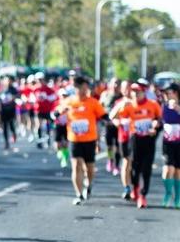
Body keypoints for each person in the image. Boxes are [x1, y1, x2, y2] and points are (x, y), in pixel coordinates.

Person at [55, 76, 107, 205]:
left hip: (89, 139)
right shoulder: (69, 101)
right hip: (74, 139)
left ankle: (88, 185)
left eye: (84, 88)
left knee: (89, 167)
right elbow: (56, 113)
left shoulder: (93, 102)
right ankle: (78, 194)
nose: (81, 91)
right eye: (79, 88)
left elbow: (103, 115)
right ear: (75, 88)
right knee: (76, 165)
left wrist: (111, 121)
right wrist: (59, 113)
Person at [112, 82, 162, 208]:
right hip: (134, 140)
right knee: (135, 168)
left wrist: (155, 124)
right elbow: (113, 117)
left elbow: (160, 119)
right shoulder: (129, 106)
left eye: (137, 91)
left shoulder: (153, 104)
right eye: (133, 91)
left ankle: (143, 195)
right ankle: (135, 189)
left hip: (149, 139)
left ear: (143, 92)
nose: (135, 94)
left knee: (146, 169)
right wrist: (120, 108)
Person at [162, 82, 180, 208]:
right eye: (166, 93)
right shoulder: (163, 107)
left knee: (179, 171)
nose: (168, 95)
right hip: (168, 143)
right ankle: (168, 193)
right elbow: (159, 120)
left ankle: (178, 199)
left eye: (170, 92)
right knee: (168, 169)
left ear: (176, 93)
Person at [100, 78, 122, 176]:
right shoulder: (105, 95)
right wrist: (103, 119)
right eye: (114, 84)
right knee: (109, 146)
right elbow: (100, 108)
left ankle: (117, 165)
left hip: (119, 125)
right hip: (108, 125)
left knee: (118, 146)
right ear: (110, 84)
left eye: (118, 84)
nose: (115, 86)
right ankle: (110, 160)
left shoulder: (122, 96)